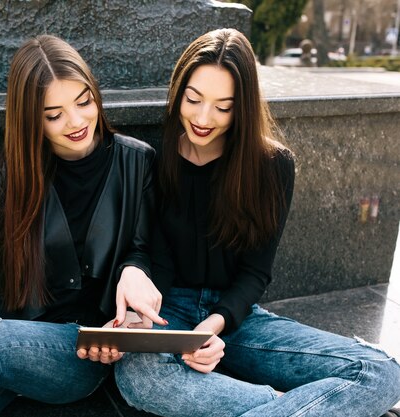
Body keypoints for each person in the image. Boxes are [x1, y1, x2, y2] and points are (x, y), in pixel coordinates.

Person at [115, 28, 400, 417]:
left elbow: (255, 273)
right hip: (168, 311)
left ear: (243, 107)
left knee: (382, 372)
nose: (202, 117)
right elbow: (148, 254)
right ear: (179, 91)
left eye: (223, 106)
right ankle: (294, 408)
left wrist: (213, 326)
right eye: (193, 99)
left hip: (237, 317)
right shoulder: (153, 156)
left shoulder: (272, 166)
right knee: (139, 379)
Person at [0, 34, 165, 417]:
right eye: (54, 114)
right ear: (32, 119)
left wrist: (133, 276)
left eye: (84, 102)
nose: (77, 121)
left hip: (77, 351)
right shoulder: (13, 171)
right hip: (7, 332)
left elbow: (143, 249)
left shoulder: (137, 162)